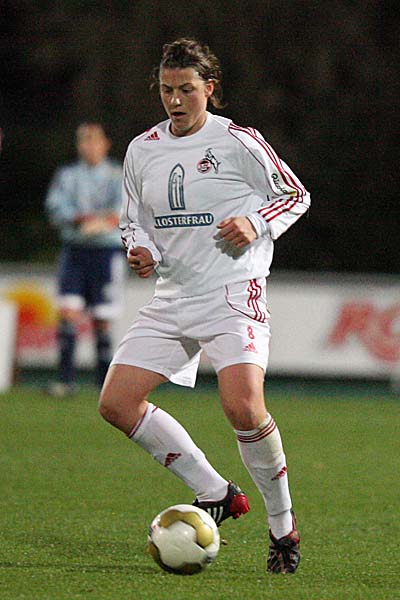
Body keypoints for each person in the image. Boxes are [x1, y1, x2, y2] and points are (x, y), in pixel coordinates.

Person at [99, 39, 311, 574]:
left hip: (232, 291)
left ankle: (282, 527)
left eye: (187, 90)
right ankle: (216, 491)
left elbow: (295, 194)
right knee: (116, 404)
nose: (175, 100)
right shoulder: (142, 149)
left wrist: (256, 222)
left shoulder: (238, 140)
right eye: (167, 90)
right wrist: (140, 249)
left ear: (209, 89)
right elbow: (131, 221)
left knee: (243, 407)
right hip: (172, 296)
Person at [45, 123, 124, 397]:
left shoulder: (117, 174)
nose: (89, 146)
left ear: (105, 144)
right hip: (75, 251)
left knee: (103, 319)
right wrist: (80, 219)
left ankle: (104, 384)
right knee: (68, 312)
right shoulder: (67, 175)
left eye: (94, 140)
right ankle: (65, 381)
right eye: (84, 141)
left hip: (106, 253)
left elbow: (123, 209)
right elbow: (55, 207)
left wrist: (104, 221)